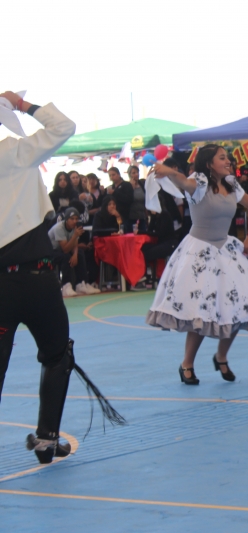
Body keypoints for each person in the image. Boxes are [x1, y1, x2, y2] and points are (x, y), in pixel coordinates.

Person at [0, 91, 124, 464]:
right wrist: (24, 106)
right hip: (36, 279)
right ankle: (47, 438)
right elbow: (64, 126)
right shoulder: (14, 152)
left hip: (4, 284)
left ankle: (48, 439)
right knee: (57, 355)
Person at [147, 144, 248, 385]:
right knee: (202, 312)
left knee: (238, 307)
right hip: (200, 252)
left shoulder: (231, 183)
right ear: (208, 163)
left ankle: (222, 356)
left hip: (226, 250)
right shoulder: (199, 182)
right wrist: (170, 172)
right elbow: (185, 183)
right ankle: (187, 363)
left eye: (228, 158)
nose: (229, 161)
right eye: (223, 158)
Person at [47, 207, 100, 296]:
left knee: (80, 253)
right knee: (66, 256)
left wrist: (75, 254)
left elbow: (75, 245)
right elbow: (65, 249)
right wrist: (75, 235)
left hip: (62, 249)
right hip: (50, 251)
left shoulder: (75, 228)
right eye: (72, 219)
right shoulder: (59, 228)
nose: (75, 221)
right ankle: (66, 285)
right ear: (67, 219)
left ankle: (81, 283)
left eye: (76, 219)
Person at [108, 166, 134, 233]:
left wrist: (115, 193)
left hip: (126, 216)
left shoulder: (126, 185)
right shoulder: (111, 187)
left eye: (113, 175)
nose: (111, 177)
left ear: (118, 174)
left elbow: (129, 199)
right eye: (110, 175)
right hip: (114, 217)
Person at [127, 164, 148, 234]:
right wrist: (131, 188)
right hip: (131, 217)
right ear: (130, 174)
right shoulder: (127, 186)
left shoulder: (141, 184)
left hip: (142, 216)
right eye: (133, 173)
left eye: (137, 172)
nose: (136, 174)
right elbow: (127, 200)